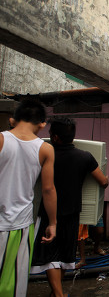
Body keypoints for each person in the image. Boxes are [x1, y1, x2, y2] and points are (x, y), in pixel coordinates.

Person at [31, 117, 108, 297]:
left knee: (49, 255)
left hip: (47, 213)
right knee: (65, 255)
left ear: (55, 137)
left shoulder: (44, 155)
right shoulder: (85, 156)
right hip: (73, 212)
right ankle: (57, 293)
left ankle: (57, 293)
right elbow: (103, 182)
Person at [0, 100, 57, 297]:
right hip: (21, 224)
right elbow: (48, 189)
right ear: (42, 124)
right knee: (15, 280)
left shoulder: (1, 139)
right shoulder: (45, 149)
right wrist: (53, 222)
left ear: (13, 119)